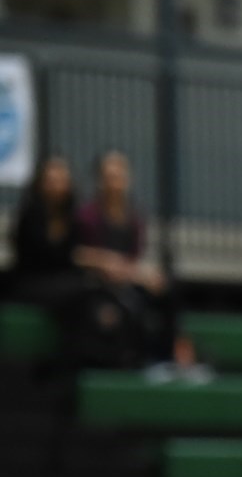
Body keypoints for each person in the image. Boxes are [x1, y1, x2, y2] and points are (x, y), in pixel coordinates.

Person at [74, 149, 189, 367]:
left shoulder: (134, 218)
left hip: (125, 280)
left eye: (119, 176)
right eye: (109, 177)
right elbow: (75, 254)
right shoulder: (86, 215)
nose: (115, 182)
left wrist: (144, 276)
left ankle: (167, 355)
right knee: (117, 314)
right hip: (95, 284)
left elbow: (132, 260)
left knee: (166, 289)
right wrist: (103, 261)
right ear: (100, 180)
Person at [6, 154, 82, 301]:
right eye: (51, 181)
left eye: (61, 181)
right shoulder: (29, 217)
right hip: (32, 281)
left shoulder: (74, 218)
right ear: (40, 184)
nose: (56, 187)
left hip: (66, 282)